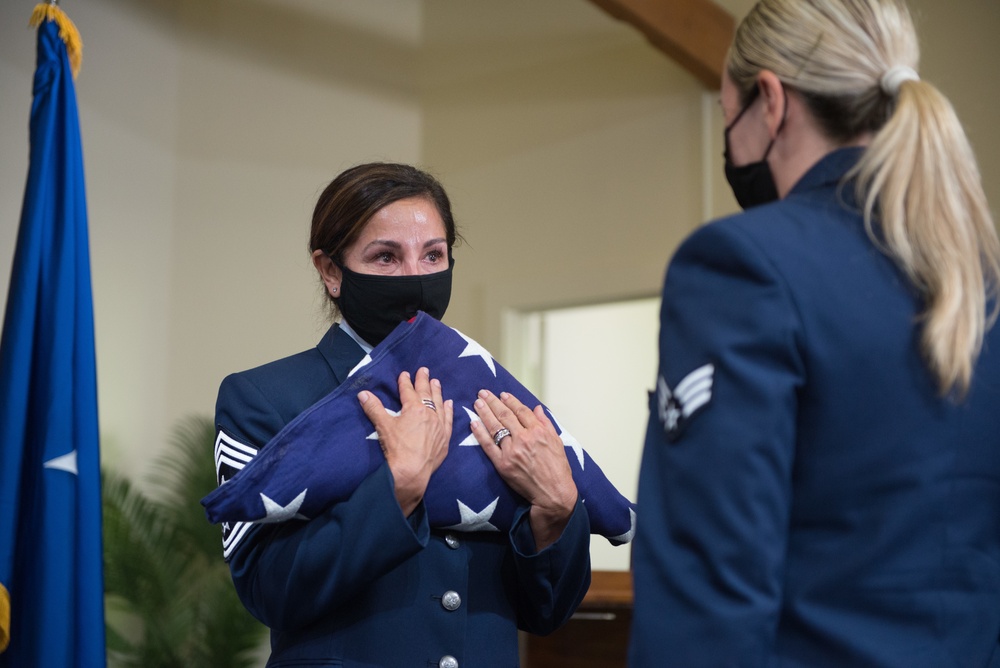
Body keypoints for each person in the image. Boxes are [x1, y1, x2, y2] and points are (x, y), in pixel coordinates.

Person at [629, 0, 1000, 665]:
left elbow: (710, 586)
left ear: (770, 101)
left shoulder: (741, 265)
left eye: (726, 114)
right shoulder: (978, 282)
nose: (730, 142)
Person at [213, 162, 590, 667]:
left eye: (433, 254)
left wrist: (557, 510)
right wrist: (401, 484)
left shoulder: (491, 397)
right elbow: (269, 592)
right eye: (386, 257)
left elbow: (547, 612)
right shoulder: (265, 397)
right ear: (330, 271)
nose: (416, 279)